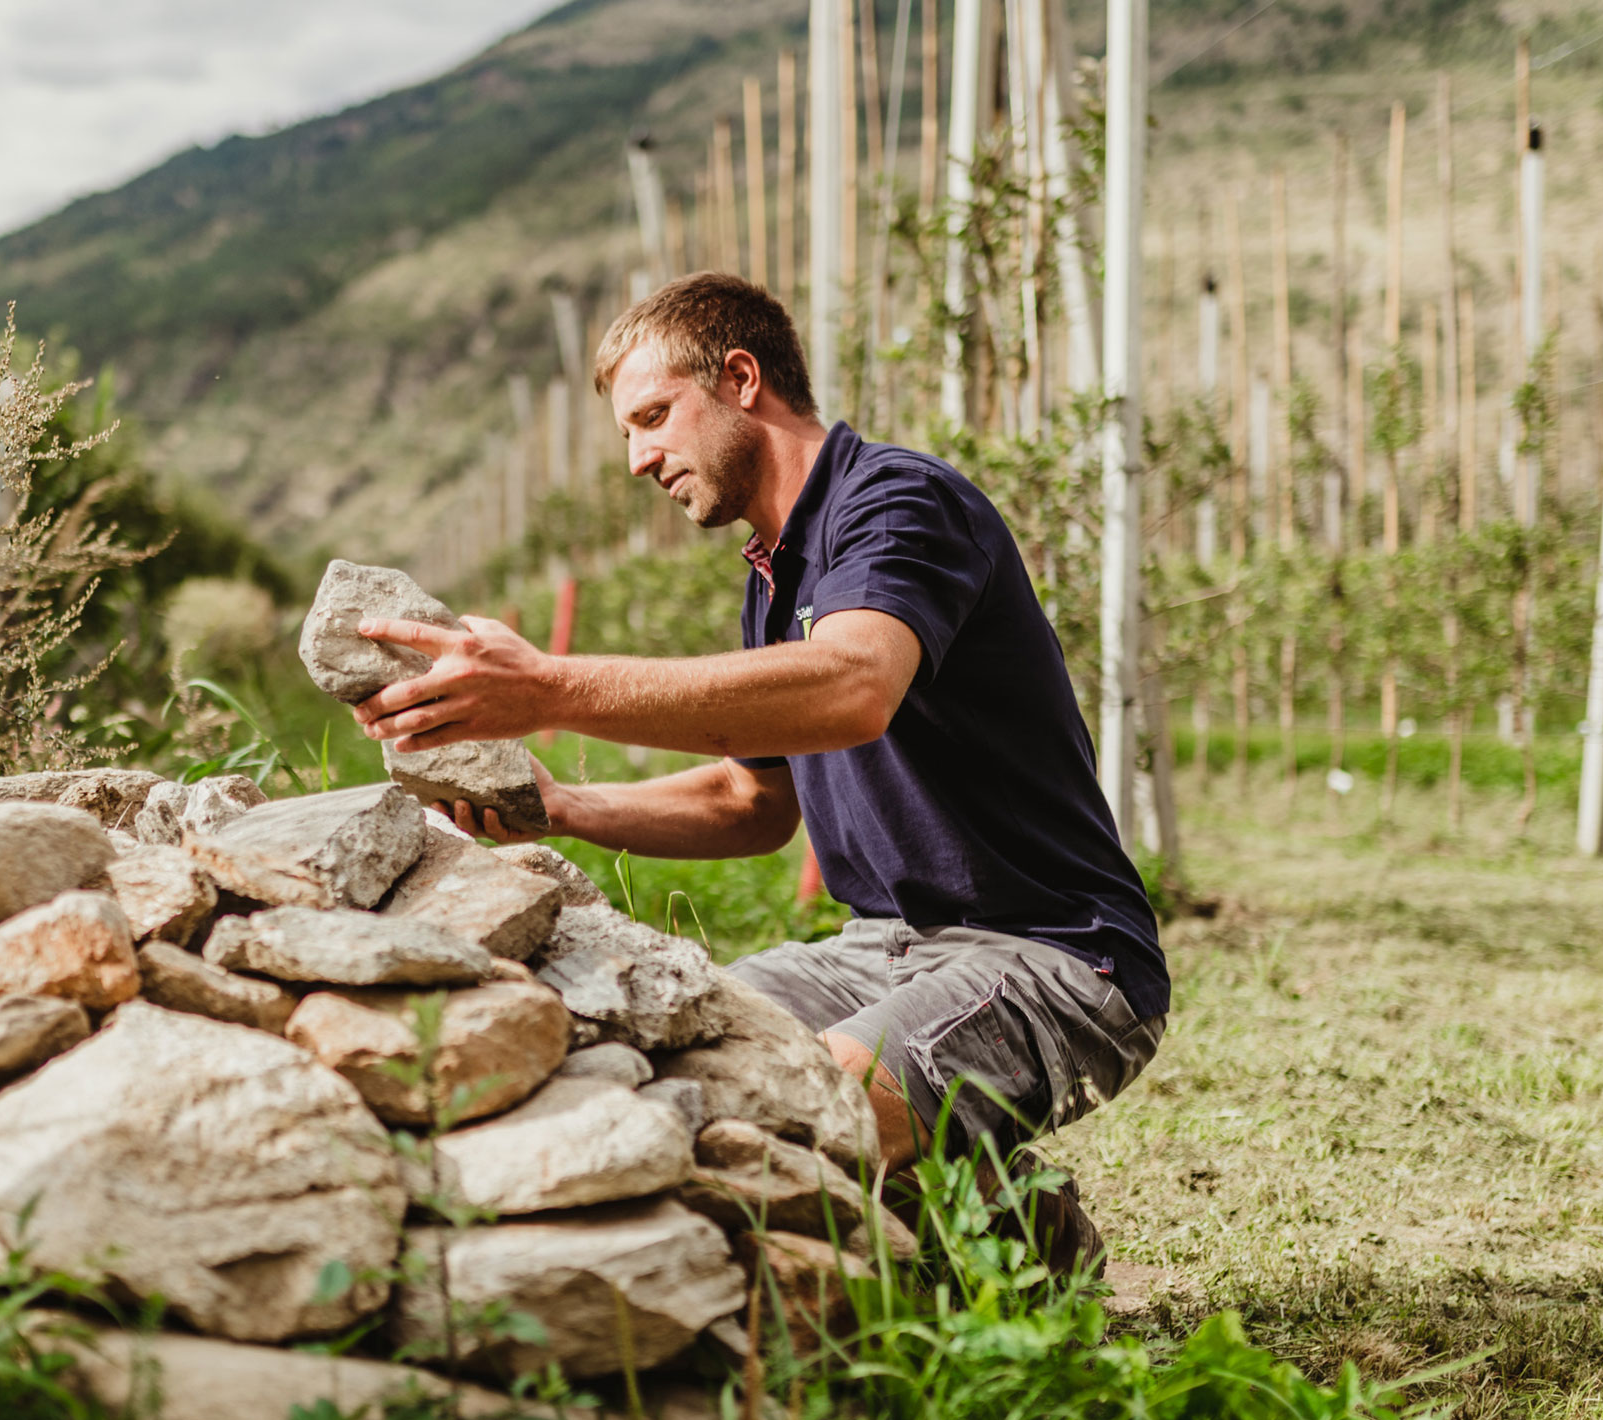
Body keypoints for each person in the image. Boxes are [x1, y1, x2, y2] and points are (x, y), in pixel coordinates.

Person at [349, 272, 1167, 1261]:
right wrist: (560, 806)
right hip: (881, 946)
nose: (639, 458)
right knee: (662, 1059)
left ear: (740, 379)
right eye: (626, 433)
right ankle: (999, 1214)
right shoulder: (773, 578)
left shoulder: (897, 503)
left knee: (790, 1121)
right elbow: (749, 803)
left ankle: (1003, 1256)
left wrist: (550, 689)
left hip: (1050, 957)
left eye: (652, 417)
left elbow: (855, 686)